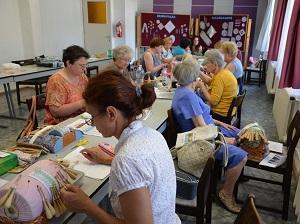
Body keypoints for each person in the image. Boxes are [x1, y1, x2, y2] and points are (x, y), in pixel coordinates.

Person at [60, 70, 179, 223]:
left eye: (92, 117)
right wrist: (109, 160)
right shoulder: (151, 134)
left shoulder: (127, 161)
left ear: (111, 113)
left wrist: (86, 206)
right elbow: (143, 172)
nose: (93, 123)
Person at [172, 60, 247, 214]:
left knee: (242, 134)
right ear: (193, 77)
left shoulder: (183, 91)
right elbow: (201, 128)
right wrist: (225, 139)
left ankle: (229, 173)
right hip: (202, 140)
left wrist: (222, 124)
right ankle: (225, 194)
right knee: (242, 156)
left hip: (210, 131)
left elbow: (204, 116)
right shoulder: (188, 96)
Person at [44, 45, 89, 125]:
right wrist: (81, 103)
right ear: (69, 63)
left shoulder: (82, 76)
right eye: (81, 66)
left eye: (86, 65)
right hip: (60, 124)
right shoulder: (56, 81)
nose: (85, 69)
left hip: (79, 119)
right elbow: (55, 111)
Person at [197, 49, 238, 124]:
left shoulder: (219, 77)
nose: (205, 66)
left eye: (207, 63)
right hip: (227, 112)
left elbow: (213, 102)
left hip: (220, 115)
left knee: (196, 114)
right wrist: (198, 72)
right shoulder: (224, 72)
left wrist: (202, 87)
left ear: (215, 64)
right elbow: (211, 82)